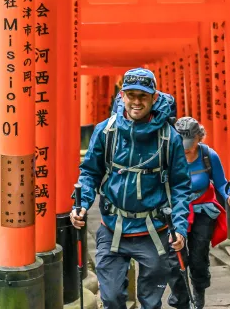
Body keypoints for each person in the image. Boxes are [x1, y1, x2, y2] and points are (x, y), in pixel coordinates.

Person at [71, 68, 192, 309]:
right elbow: (90, 172)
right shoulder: (106, 131)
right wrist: (81, 204)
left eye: (143, 96)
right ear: (122, 95)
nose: (136, 102)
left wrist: (179, 226)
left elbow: (180, 185)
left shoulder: (170, 137)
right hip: (112, 227)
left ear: (154, 97)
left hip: (154, 231)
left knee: (151, 300)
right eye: (131, 95)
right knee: (112, 298)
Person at [167, 117, 230, 309]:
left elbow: (221, 183)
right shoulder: (170, 155)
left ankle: (199, 293)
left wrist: (229, 197)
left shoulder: (208, 155)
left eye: (190, 144)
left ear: (199, 137)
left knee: (199, 255)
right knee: (176, 255)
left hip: (203, 208)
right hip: (176, 209)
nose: (186, 149)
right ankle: (181, 298)